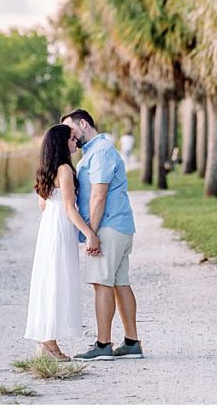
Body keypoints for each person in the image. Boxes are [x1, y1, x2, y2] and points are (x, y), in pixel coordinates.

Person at [61, 109, 143, 361]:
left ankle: (103, 344)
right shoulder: (95, 152)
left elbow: (99, 195)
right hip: (118, 226)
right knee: (119, 282)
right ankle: (131, 343)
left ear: (82, 124)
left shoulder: (101, 152)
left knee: (101, 284)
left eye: (71, 130)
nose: (70, 136)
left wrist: (92, 234)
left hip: (107, 227)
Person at [24, 124, 98, 360]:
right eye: (72, 139)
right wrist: (89, 233)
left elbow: (43, 205)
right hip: (59, 228)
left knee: (50, 280)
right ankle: (49, 342)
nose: (76, 142)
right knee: (57, 280)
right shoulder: (65, 169)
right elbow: (69, 208)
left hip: (48, 226)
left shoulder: (45, 169)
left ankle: (48, 340)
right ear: (61, 143)